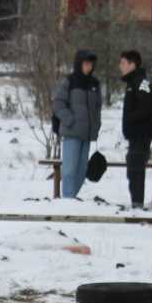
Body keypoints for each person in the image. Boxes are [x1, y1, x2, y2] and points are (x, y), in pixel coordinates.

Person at [52, 49, 102, 199]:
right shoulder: (70, 81)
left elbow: (98, 107)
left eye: (91, 64)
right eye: (86, 63)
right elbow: (58, 103)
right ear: (79, 63)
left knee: (81, 172)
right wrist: (70, 120)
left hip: (86, 135)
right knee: (69, 171)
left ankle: (71, 198)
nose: (89, 66)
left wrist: (96, 125)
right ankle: (68, 202)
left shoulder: (95, 83)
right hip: (72, 133)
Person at [119, 49, 152, 209]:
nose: (120, 66)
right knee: (133, 169)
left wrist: (130, 119)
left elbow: (146, 108)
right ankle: (136, 203)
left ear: (132, 64)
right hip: (135, 136)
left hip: (140, 135)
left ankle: (137, 205)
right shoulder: (133, 82)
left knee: (136, 170)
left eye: (123, 63)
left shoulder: (141, 83)